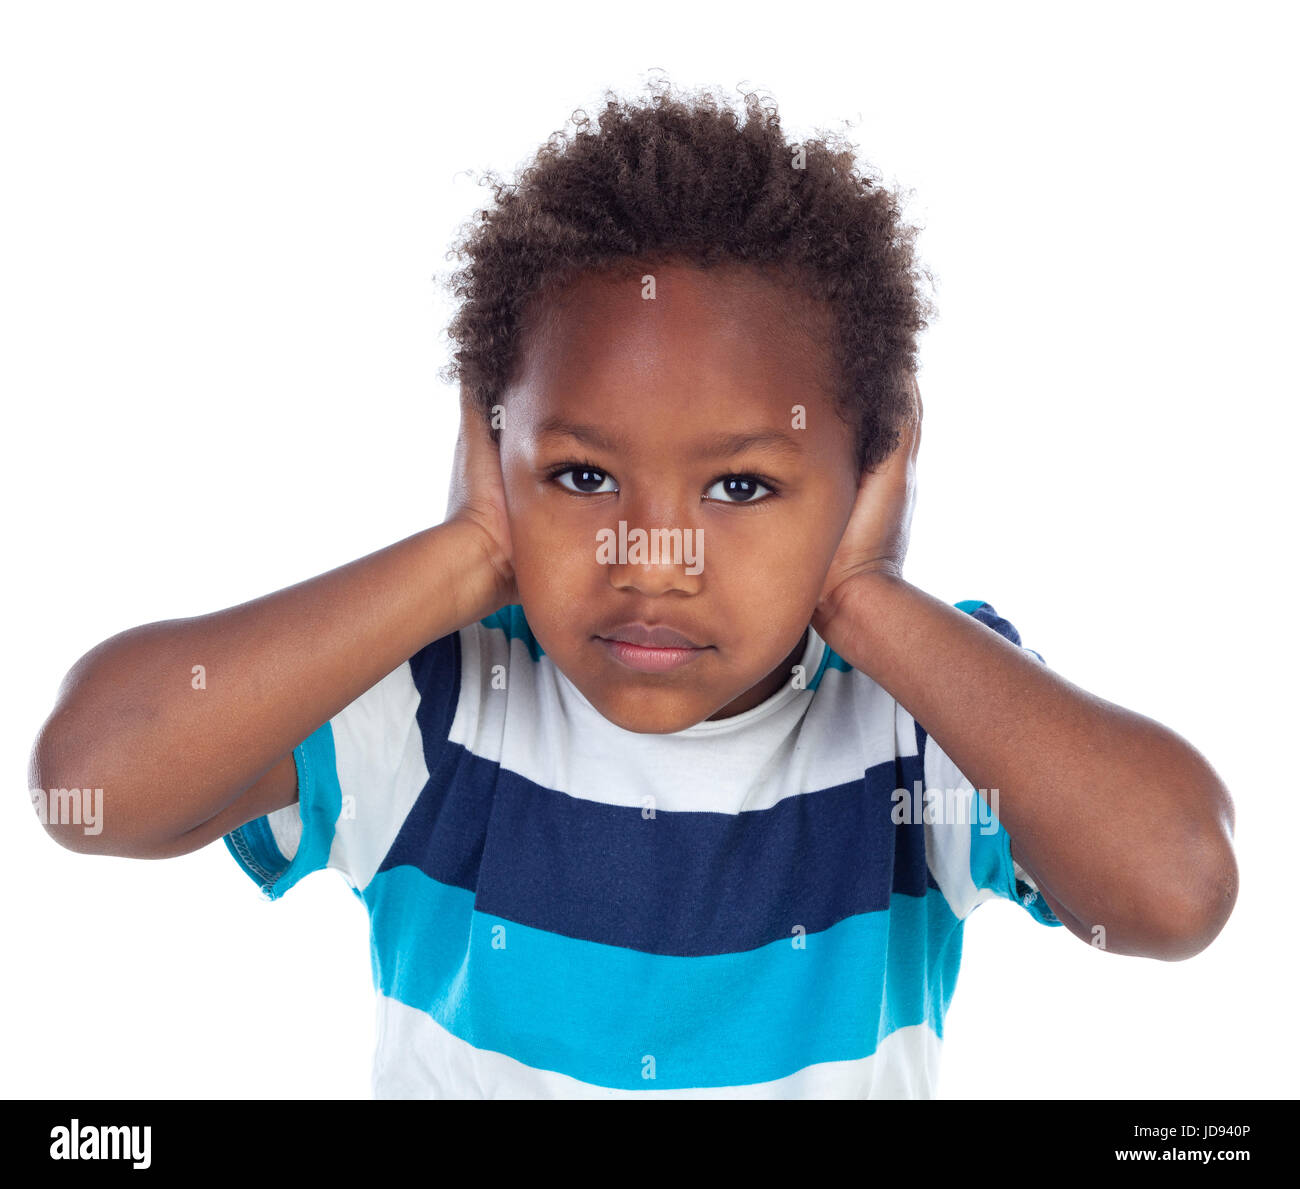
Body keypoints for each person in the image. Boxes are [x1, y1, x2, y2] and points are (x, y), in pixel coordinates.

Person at [29, 78, 1237, 1098]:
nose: (652, 555)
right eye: (582, 472)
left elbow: (1175, 886)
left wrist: (864, 597)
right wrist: (464, 555)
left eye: (743, 488)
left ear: (870, 469)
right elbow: (92, 780)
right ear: (487, 446)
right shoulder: (437, 703)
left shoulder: (917, 723)